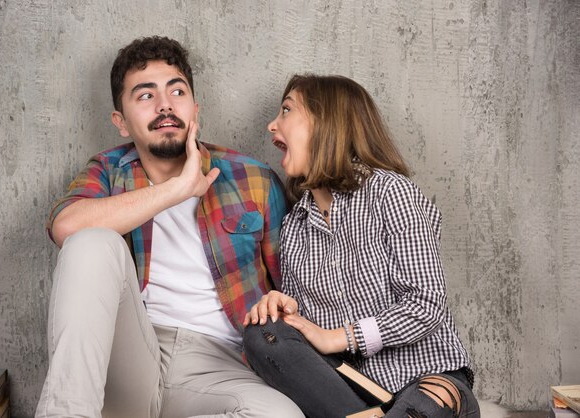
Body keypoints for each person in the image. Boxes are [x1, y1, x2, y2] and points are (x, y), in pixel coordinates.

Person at [35, 36, 303, 418]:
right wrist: (177, 189)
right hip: (131, 357)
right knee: (90, 242)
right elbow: (66, 228)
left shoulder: (253, 178)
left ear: (195, 108)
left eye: (176, 91)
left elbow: (295, 282)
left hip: (226, 364)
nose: (164, 105)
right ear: (121, 122)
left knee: (283, 416)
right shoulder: (108, 171)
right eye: (145, 96)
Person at [243, 74, 480, 418]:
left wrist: (340, 338)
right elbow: (306, 340)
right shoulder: (294, 227)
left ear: (327, 122)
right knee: (263, 332)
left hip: (424, 379)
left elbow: (427, 303)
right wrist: (286, 310)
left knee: (429, 402)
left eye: (286, 110)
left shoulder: (390, 192)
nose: (271, 125)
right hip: (350, 390)